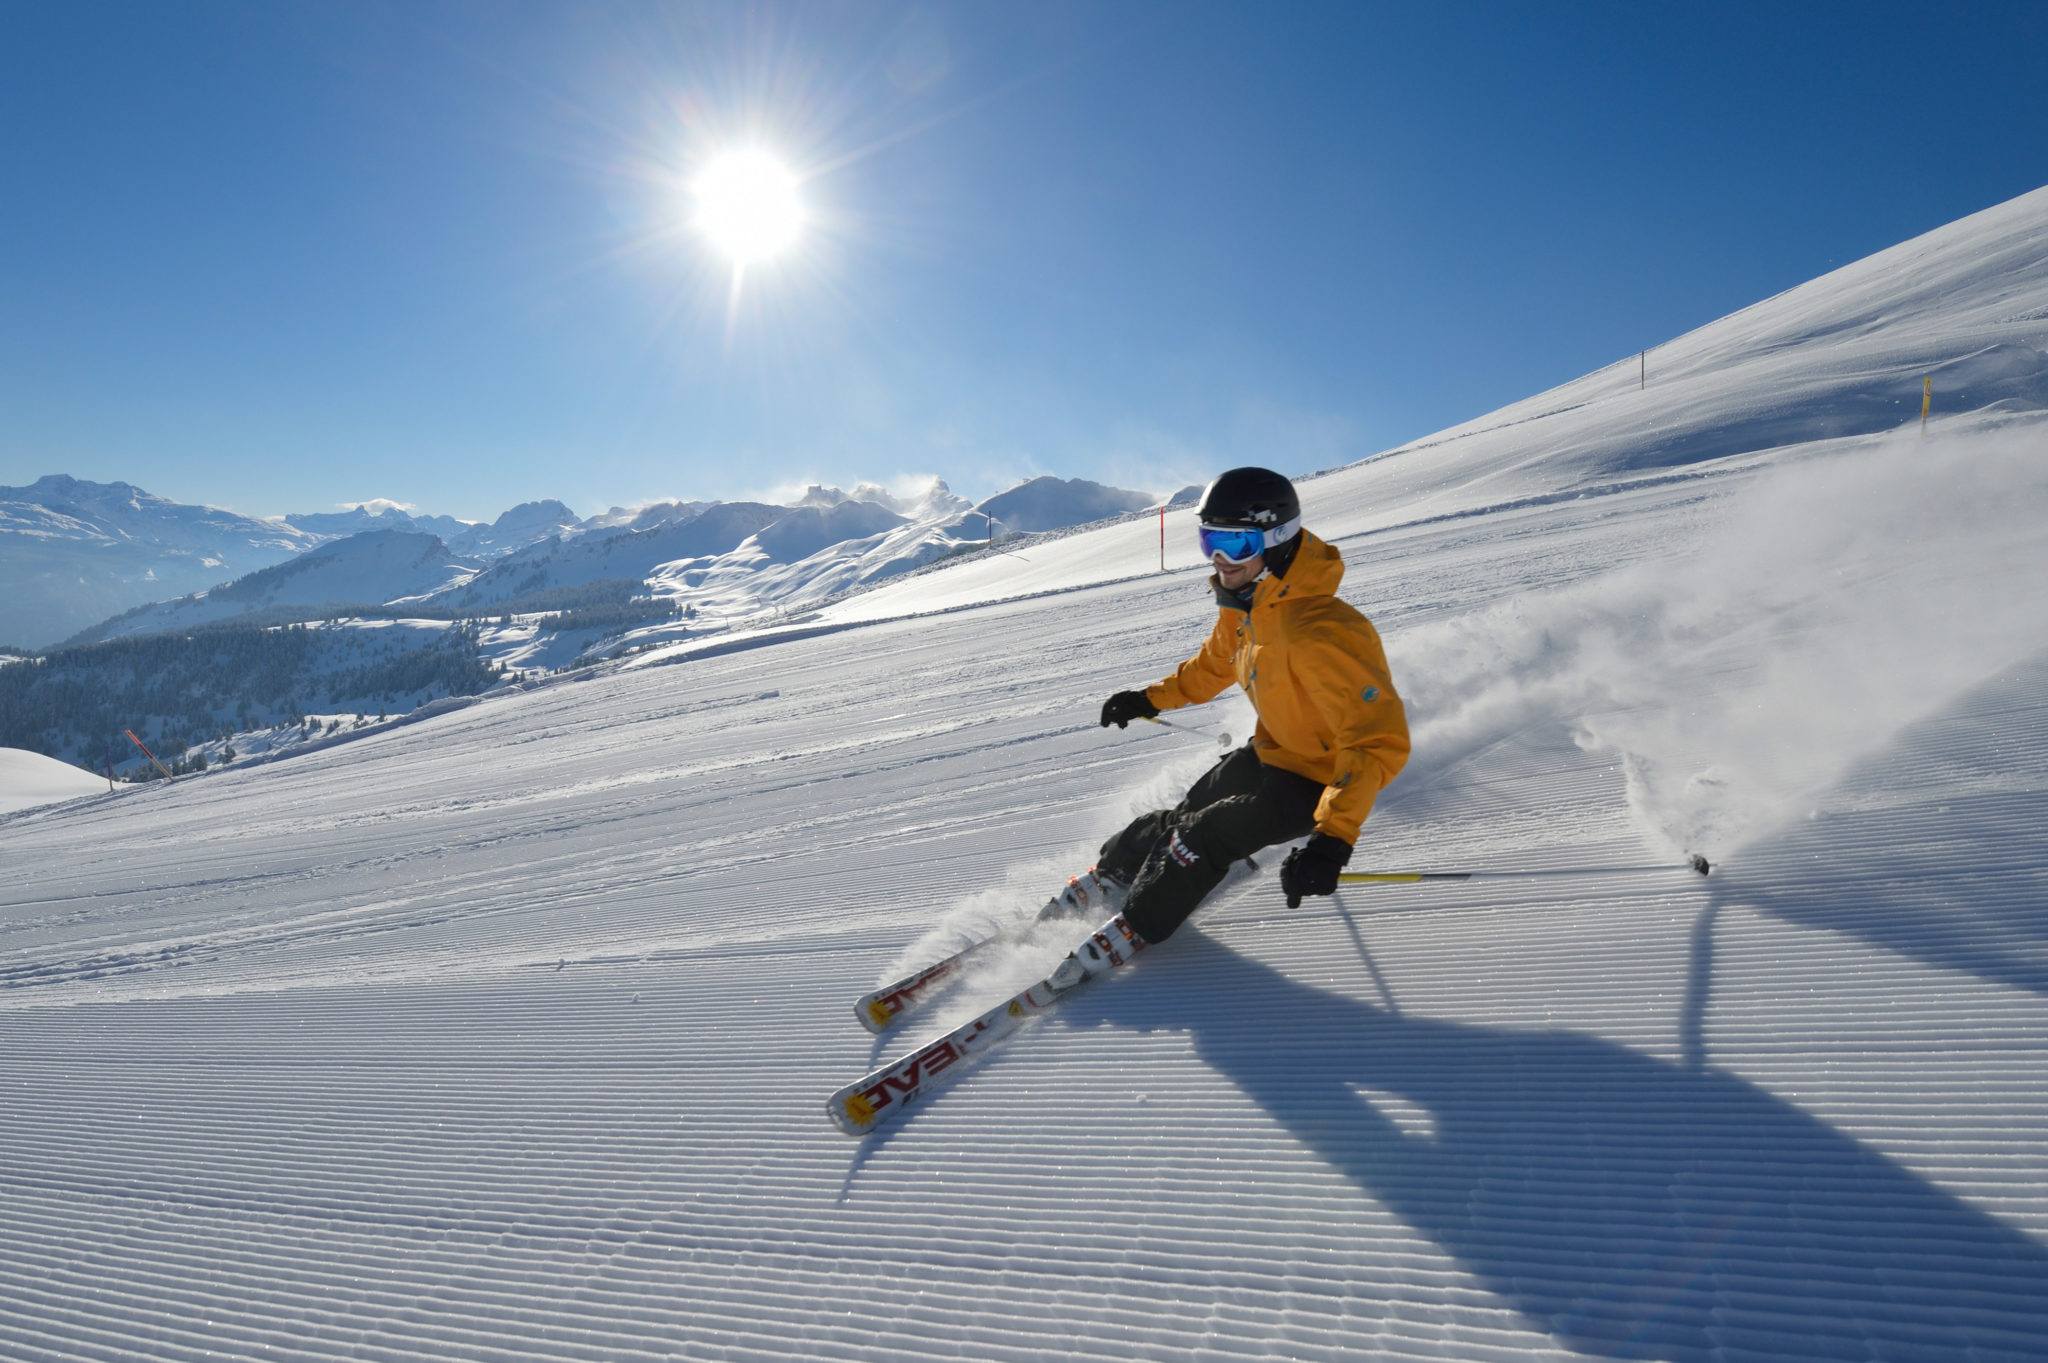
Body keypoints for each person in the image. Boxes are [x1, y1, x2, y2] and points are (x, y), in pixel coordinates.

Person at [1074, 466, 1410, 954]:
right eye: (1209, 540)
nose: (1219, 560)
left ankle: (1137, 925)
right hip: (1271, 754)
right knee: (1185, 814)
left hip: (1319, 782)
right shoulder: (1248, 605)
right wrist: (1148, 698)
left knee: (1204, 834)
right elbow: (1213, 666)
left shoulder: (1322, 629)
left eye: (1236, 545)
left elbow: (1375, 742)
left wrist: (1332, 839)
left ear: (1276, 541)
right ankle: (1112, 876)